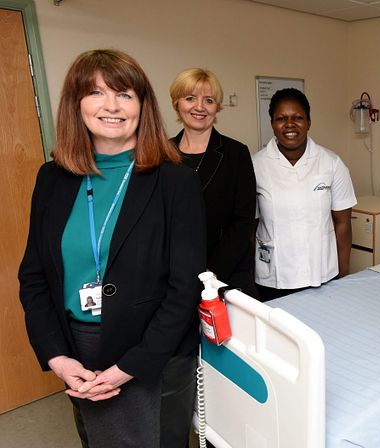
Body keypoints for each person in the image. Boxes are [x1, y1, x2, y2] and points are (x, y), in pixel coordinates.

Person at [18, 49, 206, 448]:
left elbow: (184, 288)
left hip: (153, 354)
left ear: (142, 106)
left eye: (124, 94)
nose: (111, 106)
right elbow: (34, 276)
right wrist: (58, 357)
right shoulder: (52, 178)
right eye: (96, 93)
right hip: (78, 352)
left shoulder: (176, 183)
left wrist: (130, 365)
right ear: (76, 104)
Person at [253, 88, 356, 301]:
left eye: (298, 117)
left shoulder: (331, 163)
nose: (289, 124)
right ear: (272, 124)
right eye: (281, 118)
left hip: (323, 274)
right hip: (273, 278)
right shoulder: (255, 166)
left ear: (309, 122)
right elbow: (249, 226)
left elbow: (343, 224)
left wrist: (343, 275)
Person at [170, 68, 258, 298]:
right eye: (190, 98)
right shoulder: (162, 155)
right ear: (176, 103)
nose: (199, 107)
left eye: (208, 100)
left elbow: (243, 220)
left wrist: (211, 272)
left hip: (227, 274)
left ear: (217, 107)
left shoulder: (236, 153)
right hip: (175, 276)